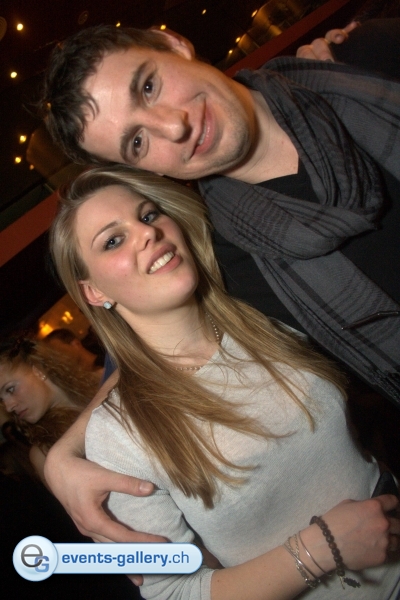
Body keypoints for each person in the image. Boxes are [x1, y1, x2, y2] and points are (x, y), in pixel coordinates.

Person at [41, 23, 400, 544]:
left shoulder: (365, 62)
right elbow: (157, 349)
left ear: (175, 44)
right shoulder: (228, 256)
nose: (174, 126)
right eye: (137, 142)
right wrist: (66, 452)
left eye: (148, 85)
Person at [49, 164, 400, 599]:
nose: (147, 232)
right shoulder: (116, 436)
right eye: (113, 241)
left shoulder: (260, 314)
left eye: (148, 214)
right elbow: (172, 591)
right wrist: (320, 549)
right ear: (94, 292)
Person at [0, 337, 98, 481]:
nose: (8, 407)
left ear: (38, 370)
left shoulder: (104, 385)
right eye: (1, 400)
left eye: (10, 389)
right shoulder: (44, 453)